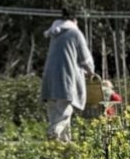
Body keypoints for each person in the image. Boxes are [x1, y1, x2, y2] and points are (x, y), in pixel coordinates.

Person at [40, 8, 95, 142]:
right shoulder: (75, 33)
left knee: (54, 113)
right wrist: (90, 71)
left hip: (49, 78)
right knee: (65, 112)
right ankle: (54, 132)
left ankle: (63, 147)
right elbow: (86, 58)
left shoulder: (54, 34)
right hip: (65, 78)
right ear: (74, 20)